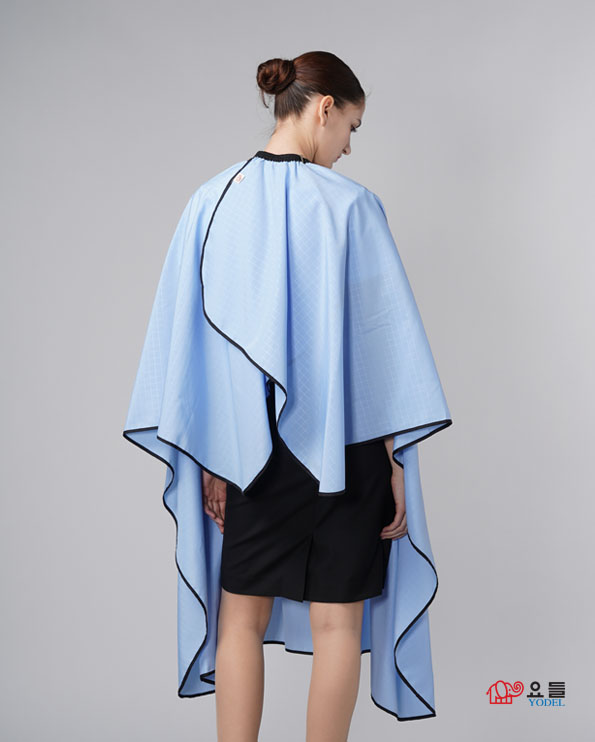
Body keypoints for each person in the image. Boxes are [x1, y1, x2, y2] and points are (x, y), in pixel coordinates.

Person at [123, 51, 452, 741]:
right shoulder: (352, 206)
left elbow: (197, 348)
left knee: (240, 618)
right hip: (347, 448)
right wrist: (393, 461)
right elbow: (380, 350)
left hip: (249, 452)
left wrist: (212, 456)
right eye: (351, 127)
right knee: (339, 624)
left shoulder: (210, 202)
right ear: (325, 108)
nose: (348, 147)